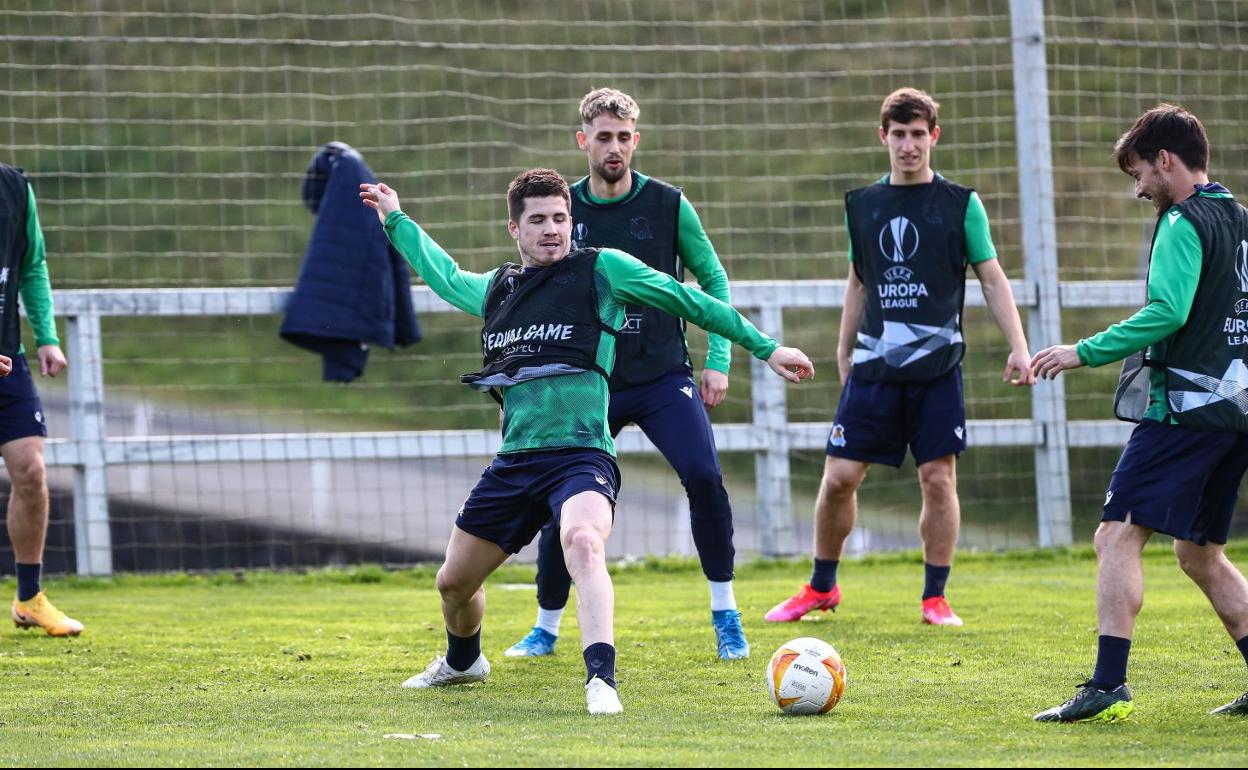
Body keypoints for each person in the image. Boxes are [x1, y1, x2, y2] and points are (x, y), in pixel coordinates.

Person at [359, 169, 813, 715]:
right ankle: (463, 661)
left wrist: (765, 348)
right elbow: (445, 275)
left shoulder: (603, 270)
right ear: (514, 228)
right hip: (515, 461)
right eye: (539, 220)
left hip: (581, 455)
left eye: (561, 218)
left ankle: (602, 679)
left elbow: (688, 300)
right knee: (453, 585)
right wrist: (396, 219)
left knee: (581, 541)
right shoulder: (497, 289)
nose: (553, 229)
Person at [764, 87, 1033, 627]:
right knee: (839, 476)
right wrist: (843, 347)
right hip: (874, 367)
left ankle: (935, 598)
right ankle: (821, 588)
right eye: (899, 134)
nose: (908, 145)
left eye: (918, 134)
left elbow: (992, 277)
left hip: (937, 369)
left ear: (933, 136)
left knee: (937, 478)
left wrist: (1020, 347)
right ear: (882, 135)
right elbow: (858, 280)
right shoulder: (862, 205)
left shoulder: (961, 204)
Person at [504, 88, 750, 662]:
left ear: (635, 141)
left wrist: (718, 361)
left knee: (705, 477)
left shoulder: (667, 204)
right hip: (594, 382)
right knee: (558, 497)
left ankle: (725, 613)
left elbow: (712, 280)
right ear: (582, 140)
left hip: (665, 375)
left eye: (623, 137)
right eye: (602, 136)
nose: (613, 147)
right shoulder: (564, 211)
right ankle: (545, 627)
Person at [1032, 105, 1248, 722]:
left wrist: (1084, 351)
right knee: (1198, 552)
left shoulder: (1183, 221)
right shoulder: (1242, 220)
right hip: (1237, 412)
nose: (1138, 190)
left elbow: (1168, 312)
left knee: (1116, 534)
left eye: (1139, 174)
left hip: (1185, 410)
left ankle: (1107, 687)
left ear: (1166, 160)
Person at [0, 162, 73, 635]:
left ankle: (29, 598)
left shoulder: (15, 188)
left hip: (9, 359)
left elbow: (32, 264)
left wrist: (46, 335)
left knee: (31, 469)